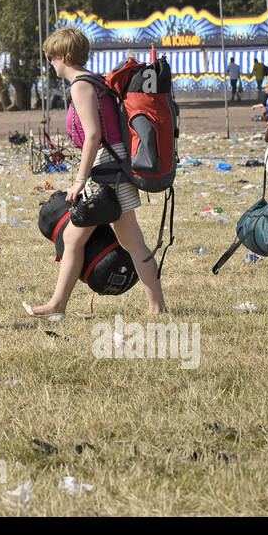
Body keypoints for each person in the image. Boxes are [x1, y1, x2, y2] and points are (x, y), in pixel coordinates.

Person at [24, 27, 167, 318]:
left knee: (109, 241)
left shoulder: (80, 85)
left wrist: (80, 180)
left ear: (62, 57)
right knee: (90, 240)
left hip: (107, 168)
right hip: (115, 165)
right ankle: (59, 305)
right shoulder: (96, 81)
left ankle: (155, 307)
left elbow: (92, 135)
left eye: (52, 59)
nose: (51, 65)